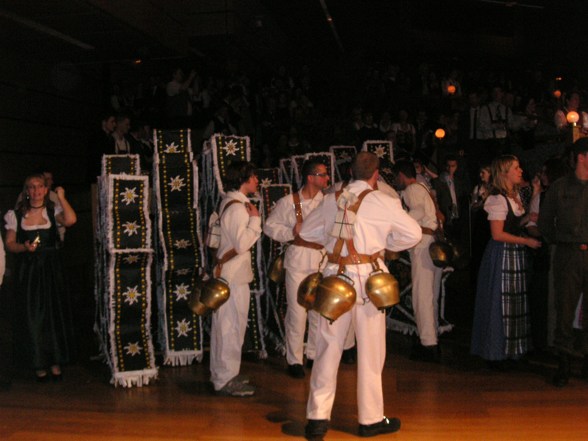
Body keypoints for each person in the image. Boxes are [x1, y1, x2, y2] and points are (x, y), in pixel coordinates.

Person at [300, 152, 422, 440]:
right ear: (376, 174)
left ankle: (317, 420)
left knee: (327, 349)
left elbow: (306, 231)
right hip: (370, 278)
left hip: (334, 276)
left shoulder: (330, 198)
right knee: (371, 351)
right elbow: (414, 234)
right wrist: (385, 241)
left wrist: (332, 243)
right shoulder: (385, 201)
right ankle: (369, 420)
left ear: (350, 173)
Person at [4, 174, 77, 381]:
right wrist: (24, 247)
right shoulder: (16, 215)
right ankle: (38, 363)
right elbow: (9, 244)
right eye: (31, 187)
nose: (35, 191)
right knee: (32, 316)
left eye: (39, 187)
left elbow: (71, 220)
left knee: (53, 315)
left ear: (46, 190)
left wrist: (61, 197)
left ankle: (55, 361)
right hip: (29, 272)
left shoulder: (53, 211)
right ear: (26, 191)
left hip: (51, 271)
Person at [470, 155, 541, 370]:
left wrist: (530, 214)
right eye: (516, 168)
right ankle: (496, 352)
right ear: (505, 173)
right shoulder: (498, 199)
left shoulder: (514, 195)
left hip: (514, 253)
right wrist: (526, 240)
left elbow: (514, 222)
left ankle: (513, 351)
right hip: (502, 255)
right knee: (500, 302)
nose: (520, 171)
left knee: (514, 302)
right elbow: (498, 234)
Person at [264, 159, 329, 378]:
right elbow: (269, 226)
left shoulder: (329, 202)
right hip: (298, 261)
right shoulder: (289, 202)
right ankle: (294, 359)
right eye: (323, 174)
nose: (327, 178)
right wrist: (291, 233)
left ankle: (313, 353)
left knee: (318, 311)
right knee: (297, 312)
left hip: (321, 261)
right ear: (311, 178)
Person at [538, 138, 588, 387]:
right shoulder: (559, 188)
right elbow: (545, 223)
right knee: (565, 308)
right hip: (568, 254)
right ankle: (564, 364)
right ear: (582, 157)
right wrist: (561, 241)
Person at [210, 161, 262, 397]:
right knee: (230, 327)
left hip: (232, 275)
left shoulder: (234, 204)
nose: (257, 181)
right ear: (244, 179)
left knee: (230, 327)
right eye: (254, 177)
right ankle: (224, 379)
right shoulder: (237, 209)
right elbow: (242, 244)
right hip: (232, 277)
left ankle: (226, 373)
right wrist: (255, 221)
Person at [393, 159, 443, 362]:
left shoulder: (412, 189)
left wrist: (397, 223)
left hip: (423, 244)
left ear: (401, 176)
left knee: (422, 296)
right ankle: (432, 337)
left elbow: (418, 212)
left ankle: (428, 344)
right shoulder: (424, 188)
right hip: (433, 244)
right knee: (431, 294)